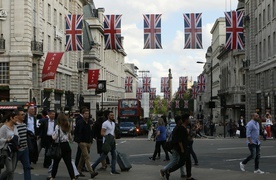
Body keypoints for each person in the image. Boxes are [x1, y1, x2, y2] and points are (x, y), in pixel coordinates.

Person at [165, 113, 196, 180]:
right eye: (188, 119)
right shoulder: (181, 128)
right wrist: (182, 149)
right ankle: (168, 171)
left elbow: (187, 138)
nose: (189, 120)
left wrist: (192, 135)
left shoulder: (184, 128)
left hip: (186, 147)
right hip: (182, 148)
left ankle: (189, 176)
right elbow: (179, 140)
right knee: (181, 163)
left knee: (187, 162)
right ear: (185, 120)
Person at [48, 113, 76, 180]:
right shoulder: (68, 126)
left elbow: (54, 137)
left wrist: (52, 135)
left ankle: (53, 177)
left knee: (56, 163)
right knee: (68, 163)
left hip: (59, 146)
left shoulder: (58, 127)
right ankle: (73, 177)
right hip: (66, 145)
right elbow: (70, 138)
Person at [92, 111, 120, 175]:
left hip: (112, 142)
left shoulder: (113, 123)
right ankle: (93, 166)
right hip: (107, 142)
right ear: (108, 116)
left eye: (113, 115)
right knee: (103, 156)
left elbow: (113, 132)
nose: (112, 116)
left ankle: (113, 170)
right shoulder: (105, 123)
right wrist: (107, 137)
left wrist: (114, 139)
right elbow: (102, 133)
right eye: (111, 115)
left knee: (114, 156)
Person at [75, 109, 98, 178]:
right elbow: (76, 131)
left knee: (83, 156)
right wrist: (78, 140)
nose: (87, 115)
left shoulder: (90, 122)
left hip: (88, 142)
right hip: (82, 142)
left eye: (87, 113)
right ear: (83, 114)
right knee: (86, 156)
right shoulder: (80, 122)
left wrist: (92, 139)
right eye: (85, 113)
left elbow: (92, 131)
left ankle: (78, 170)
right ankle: (91, 172)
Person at [0, 110, 19, 180]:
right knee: (9, 170)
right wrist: (6, 140)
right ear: (11, 118)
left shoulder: (15, 127)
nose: (17, 119)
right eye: (16, 118)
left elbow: (17, 137)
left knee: (12, 171)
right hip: (6, 151)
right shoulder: (4, 127)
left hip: (14, 150)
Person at [15, 108, 32, 180]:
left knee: (27, 167)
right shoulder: (15, 125)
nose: (23, 116)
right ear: (17, 116)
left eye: (24, 114)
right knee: (11, 169)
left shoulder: (24, 125)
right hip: (17, 150)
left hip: (25, 149)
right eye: (22, 115)